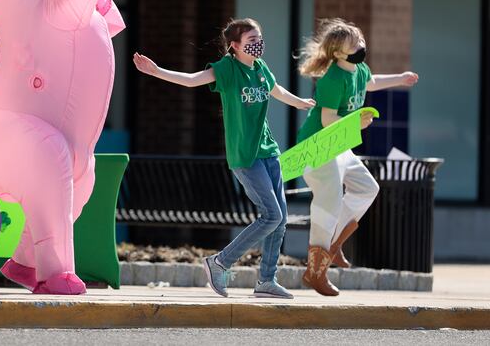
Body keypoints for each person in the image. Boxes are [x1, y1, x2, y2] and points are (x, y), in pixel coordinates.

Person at [133, 18, 315, 298]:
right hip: (245, 156)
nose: (258, 45)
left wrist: (300, 103)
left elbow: (275, 90)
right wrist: (157, 72)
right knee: (271, 215)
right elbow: (193, 80)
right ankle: (219, 262)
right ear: (235, 46)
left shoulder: (261, 68)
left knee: (281, 219)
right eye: (251, 41)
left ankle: (266, 281)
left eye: (259, 39)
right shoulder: (227, 69)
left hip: (269, 151)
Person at [296, 18, 419, 296]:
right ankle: (315, 272)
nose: (362, 46)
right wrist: (355, 124)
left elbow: (371, 82)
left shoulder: (359, 69)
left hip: (339, 146)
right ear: (339, 52)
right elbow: (328, 120)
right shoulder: (332, 79)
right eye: (355, 44)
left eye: (361, 41)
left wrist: (400, 78)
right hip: (318, 146)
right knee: (328, 200)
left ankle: (334, 244)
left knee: (367, 188)